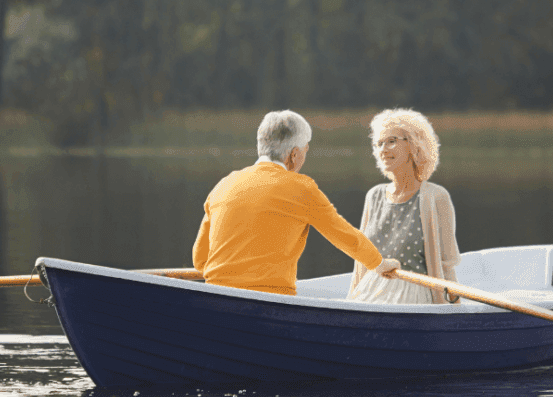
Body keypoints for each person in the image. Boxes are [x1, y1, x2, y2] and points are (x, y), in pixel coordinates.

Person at [193, 110, 400, 296]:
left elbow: (200, 260)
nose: (304, 157)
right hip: (272, 299)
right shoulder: (302, 188)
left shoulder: (223, 184)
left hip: (215, 293)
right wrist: (378, 263)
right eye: (305, 150)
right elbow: (344, 236)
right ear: (294, 154)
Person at [347, 108, 461, 304]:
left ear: (414, 144)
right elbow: (361, 262)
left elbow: (446, 266)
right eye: (379, 144)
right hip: (368, 296)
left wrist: (453, 313)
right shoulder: (374, 196)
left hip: (413, 300)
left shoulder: (436, 196)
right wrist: (348, 304)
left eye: (391, 141)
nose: (383, 149)